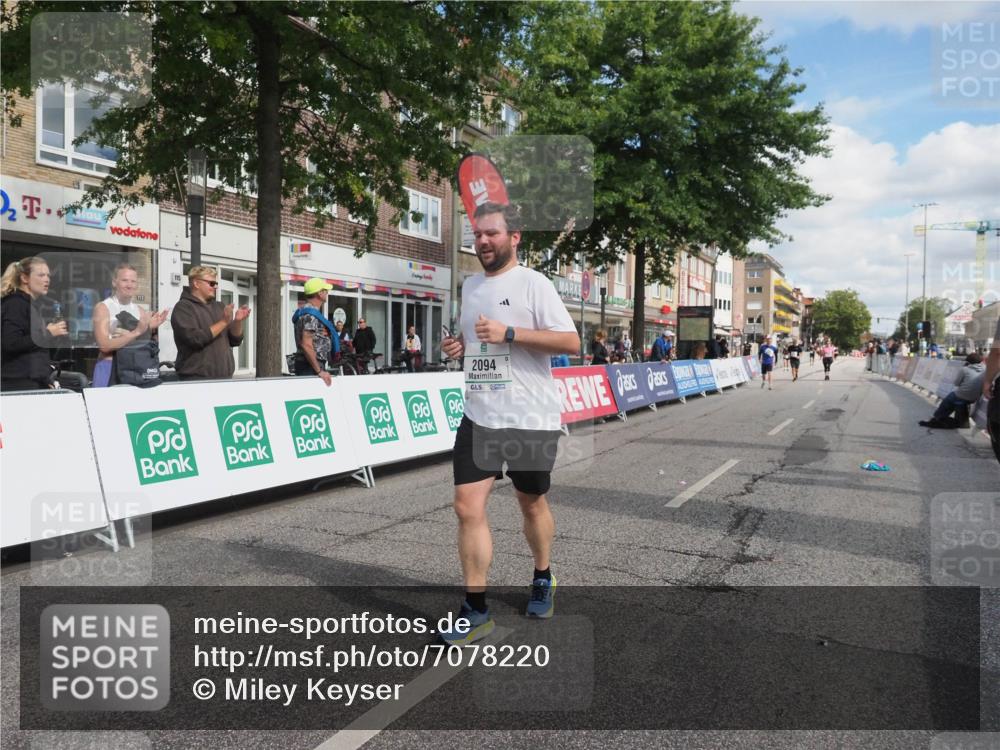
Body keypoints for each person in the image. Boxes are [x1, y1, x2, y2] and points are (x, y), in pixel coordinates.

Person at [438, 201, 579, 646]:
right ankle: (475, 609)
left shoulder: (534, 284)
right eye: (477, 234)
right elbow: (475, 339)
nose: (482, 241)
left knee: (531, 504)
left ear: (514, 237)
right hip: (480, 414)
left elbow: (570, 342)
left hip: (528, 418)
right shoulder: (470, 285)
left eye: (492, 234)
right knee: (467, 507)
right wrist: (459, 347)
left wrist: (510, 334)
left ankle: (542, 575)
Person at [92, 263, 169, 387]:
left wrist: (149, 328)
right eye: (125, 280)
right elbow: (104, 346)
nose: (129, 285)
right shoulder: (103, 307)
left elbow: (143, 346)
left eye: (133, 281)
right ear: (114, 282)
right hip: (109, 368)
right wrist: (137, 332)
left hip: (135, 370)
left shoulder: (140, 311)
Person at [171, 266, 250, 380]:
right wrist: (224, 322)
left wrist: (237, 321)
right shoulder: (183, 308)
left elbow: (235, 340)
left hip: (225, 378)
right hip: (196, 380)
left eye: (216, 283)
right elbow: (195, 339)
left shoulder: (219, 307)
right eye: (211, 283)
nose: (215, 287)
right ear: (197, 284)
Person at [1, 256, 68, 391]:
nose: (47, 279)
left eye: (48, 275)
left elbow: (35, 353)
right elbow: (11, 343)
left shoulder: (31, 305)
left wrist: (45, 380)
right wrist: (48, 333)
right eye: (41, 275)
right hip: (18, 385)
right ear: (25, 278)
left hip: (33, 383)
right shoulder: (15, 304)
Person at [291, 278, 339, 386]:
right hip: (310, 366)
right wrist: (319, 371)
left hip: (310, 365)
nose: (327, 293)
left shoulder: (305, 312)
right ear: (319, 293)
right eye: (325, 290)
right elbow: (306, 344)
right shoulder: (310, 315)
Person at [920, 353, 986, 428]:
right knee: (955, 398)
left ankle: (936, 416)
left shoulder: (965, 369)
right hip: (974, 398)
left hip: (962, 395)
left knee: (949, 399)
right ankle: (946, 417)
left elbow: (956, 383)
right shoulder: (985, 369)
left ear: (968, 361)